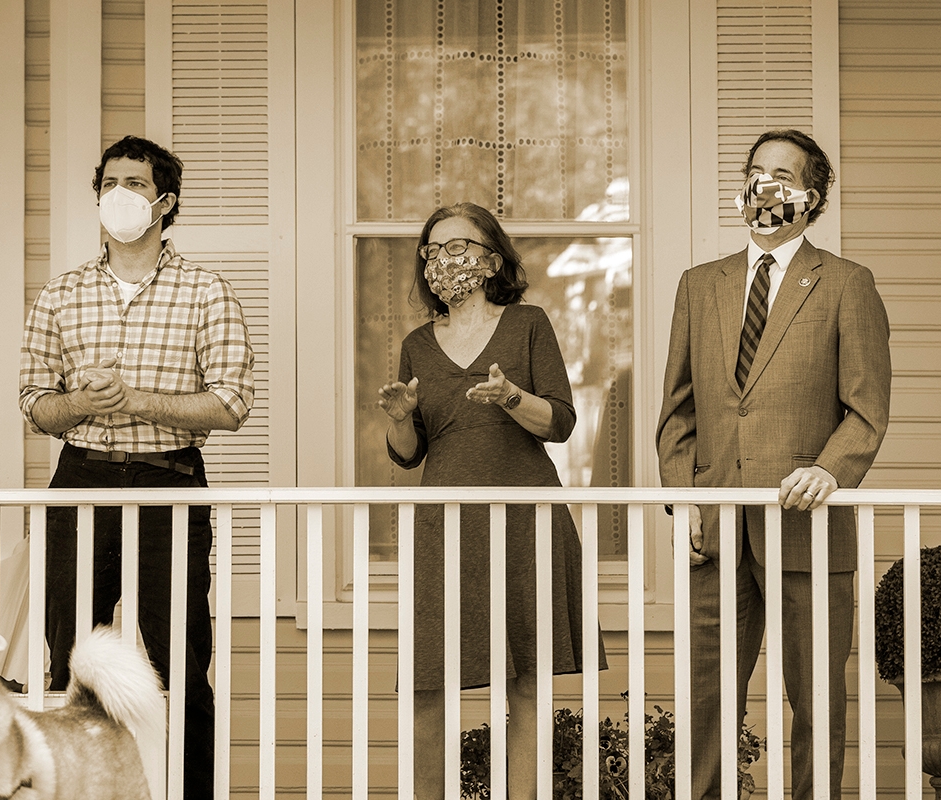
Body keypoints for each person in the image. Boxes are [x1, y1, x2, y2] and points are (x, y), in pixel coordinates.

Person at [656, 129, 891, 800]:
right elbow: (678, 411)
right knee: (707, 699)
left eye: (781, 176)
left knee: (816, 701)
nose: (765, 187)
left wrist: (832, 469)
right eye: (756, 173)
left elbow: (867, 407)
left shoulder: (848, 284)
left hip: (808, 527)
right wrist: (686, 499)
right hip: (716, 529)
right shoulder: (700, 285)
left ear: (811, 198)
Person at [19, 135, 256, 800]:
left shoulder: (207, 292)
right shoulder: (61, 294)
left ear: (164, 202)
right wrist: (78, 404)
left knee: (180, 661)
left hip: (169, 480)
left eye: (134, 183)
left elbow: (233, 403)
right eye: (109, 182)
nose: (118, 194)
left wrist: (136, 401)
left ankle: (191, 794)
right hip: (81, 478)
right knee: (71, 659)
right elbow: (35, 405)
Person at [377, 202, 605, 800]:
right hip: (444, 525)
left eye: (460, 246)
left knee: (528, 681)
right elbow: (409, 453)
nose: (445, 259)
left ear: (492, 258)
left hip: (525, 518)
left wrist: (510, 397)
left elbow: (560, 422)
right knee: (431, 682)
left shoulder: (528, 323)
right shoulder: (417, 344)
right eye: (434, 249)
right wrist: (401, 419)